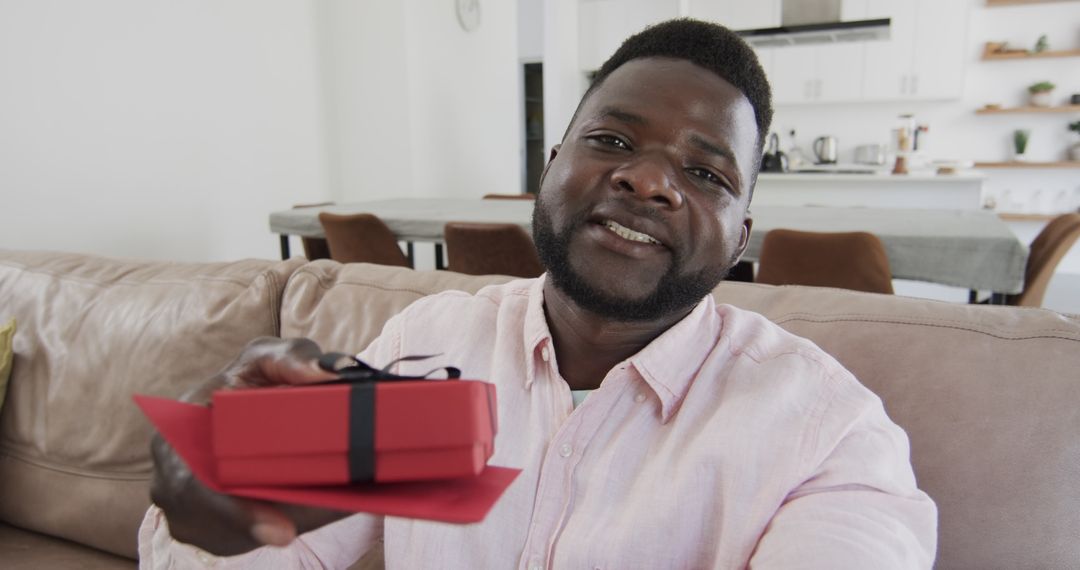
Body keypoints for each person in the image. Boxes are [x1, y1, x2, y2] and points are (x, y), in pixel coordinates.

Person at [140, 19, 937, 569]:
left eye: (705, 173)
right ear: (551, 166)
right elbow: (285, 544)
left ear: (740, 236)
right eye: (613, 141)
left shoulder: (827, 433)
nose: (648, 179)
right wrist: (223, 501)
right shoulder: (429, 348)